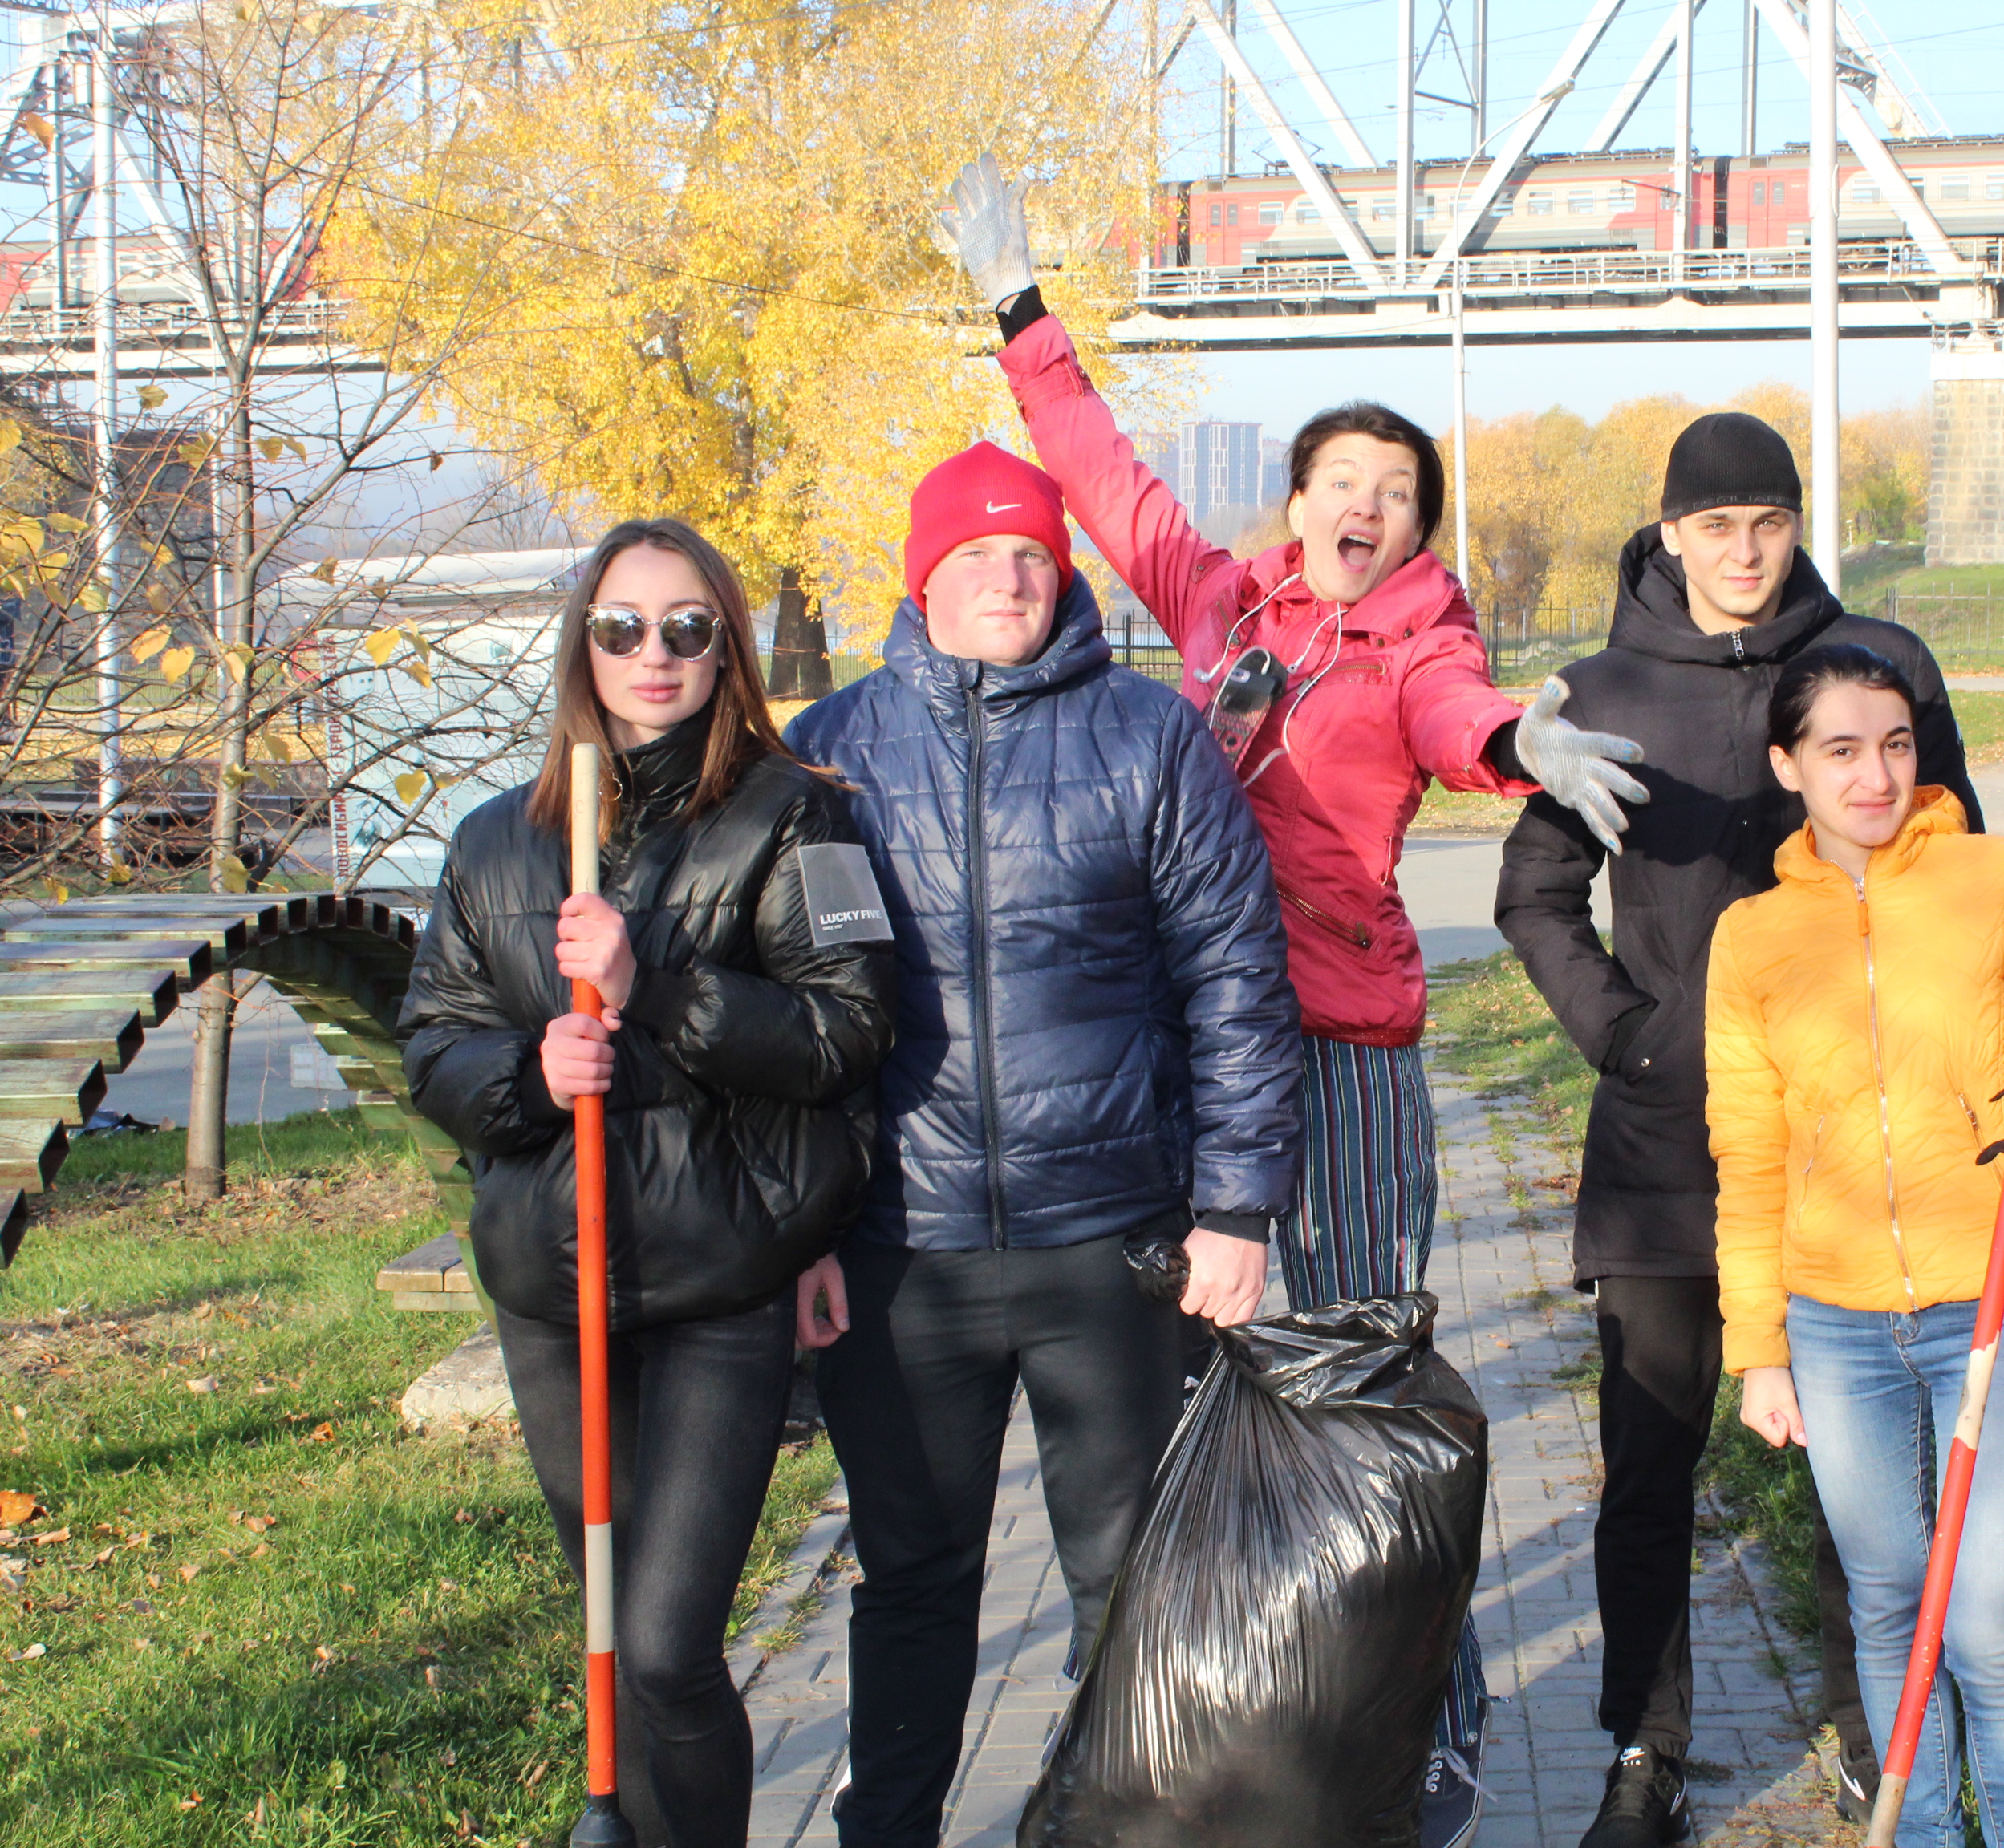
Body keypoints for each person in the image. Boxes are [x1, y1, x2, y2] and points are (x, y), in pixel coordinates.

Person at [939, 151, 1646, 1840]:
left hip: (1337, 1059)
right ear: (1296, 499)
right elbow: (1104, 483)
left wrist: (1519, 745)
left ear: (1413, 529)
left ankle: (1419, 1733)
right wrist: (1023, 318)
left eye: (1396, 491)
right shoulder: (1213, 602)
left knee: (1357, 1399)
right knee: (1206, 1407)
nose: (1367, 504)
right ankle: (1231, 1727)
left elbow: (1458, 711)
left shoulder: (1415, 640)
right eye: (1341, 478)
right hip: (1181, 1063)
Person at [784, 441, 1301, 1848]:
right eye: (976, 557)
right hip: (906, 1255)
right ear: (923, 577)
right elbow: (798, 1023)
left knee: (1131, 1585)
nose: (1009, 579)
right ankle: (887, 1828)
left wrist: (1238, 1208)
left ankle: (1125, 1827)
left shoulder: (1149, 736)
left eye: (1032, 555)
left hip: (1114, 1241)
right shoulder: (830, 756)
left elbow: (1236, 978)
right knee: (912, 1579)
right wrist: (809, 1234)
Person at [1494, 413, 1982, 1847]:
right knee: (1651, 1466)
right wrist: (1627, 1034)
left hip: (1850, 1140)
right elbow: (1532, 893)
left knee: (1858, 1474)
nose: (1746, 552)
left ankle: (1865, 1731)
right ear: (1671, 532)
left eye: (1768, 521)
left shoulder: (1874, 664)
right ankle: (1646, 1759)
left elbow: (1952, 860)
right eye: (1717, 527)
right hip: (1664, 1145)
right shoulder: (1601, 689)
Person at [402, 517, 898, 1848]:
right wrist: (527, 1066)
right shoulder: (496, 842)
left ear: (725, 645)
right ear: (585, 645)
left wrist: (654, 993)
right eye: (623, 628)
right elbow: (432, 1047)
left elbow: (851, 1031)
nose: (655, 654)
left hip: (718, 1284)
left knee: (669, 1646)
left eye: (689, 627)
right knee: (610, 1644)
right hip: (551, 1294)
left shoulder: (803, 813)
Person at [1710, 642, 2004, 1848]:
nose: (1875, 774)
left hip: (1997, 1305)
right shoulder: (1753, 938)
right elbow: (1748, 1156)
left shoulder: (1993, 878)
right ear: (1789, 765)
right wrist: (1761, 1352)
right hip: (1837, 1326)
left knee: (1990, 1624)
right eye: (1841, 749)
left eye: (1895, 744)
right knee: (1892, 1608)